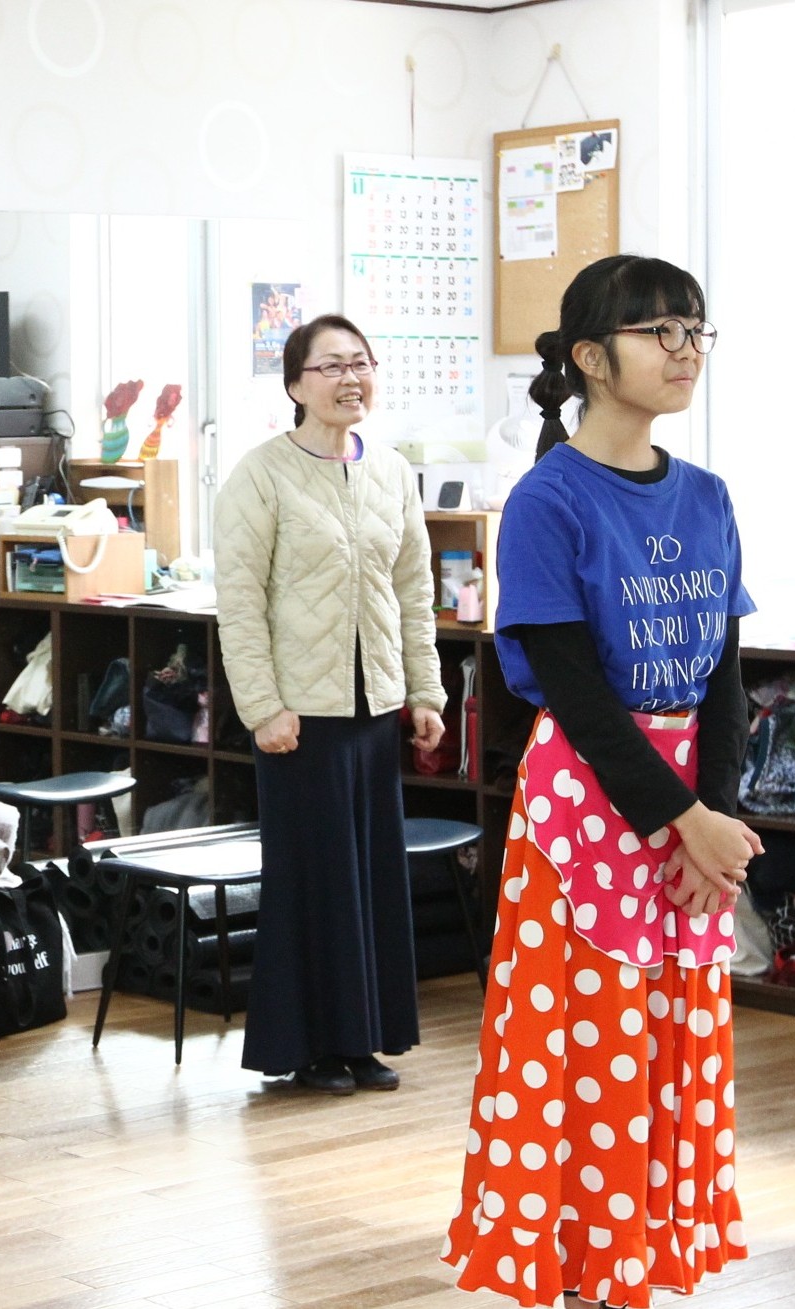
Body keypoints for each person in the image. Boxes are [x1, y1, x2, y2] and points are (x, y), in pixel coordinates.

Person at [444, 255, 757, 1308]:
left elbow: (724, 681)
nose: (683, 350)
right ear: (589, 355)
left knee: (669, 1041)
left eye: (694, 330)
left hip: (686, 803)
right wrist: (682, 821)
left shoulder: (707, 496)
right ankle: (581, 1275)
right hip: (589, 802)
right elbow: (573, 695)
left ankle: (637, 1264)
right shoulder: (548, 498)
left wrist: (713, 821)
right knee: (584, 1048)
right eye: (658, 330)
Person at [214, 313, 446, 1094]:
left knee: (369, 877)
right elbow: (239, 602)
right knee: (311, 880)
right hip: (297, 715)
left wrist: (424, 691)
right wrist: (262, 706)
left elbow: (413, 591)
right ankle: (308, 1046)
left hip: (373, 707)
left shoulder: (392, 473)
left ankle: (362, 1038)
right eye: (331, 366)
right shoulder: (261, 475)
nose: (351, 378)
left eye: (361, 363)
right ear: (295, 384)